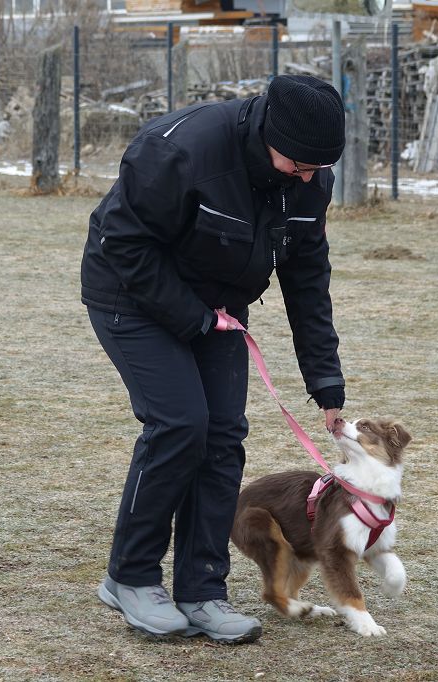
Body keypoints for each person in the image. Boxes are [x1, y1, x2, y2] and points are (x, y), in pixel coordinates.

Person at [80, 74, 347, 644]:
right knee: (180, 423)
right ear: (270, 136)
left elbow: (307, 279)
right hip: (129, 293)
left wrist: (325, 380)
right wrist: (195, 318)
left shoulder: (308, 179)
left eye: (318, 168)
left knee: (223, 434)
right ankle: (130, 577)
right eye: (299, 164)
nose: (308, 177)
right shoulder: (180, 150)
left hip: (219, 303)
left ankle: (202, 591)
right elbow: (122, 242)